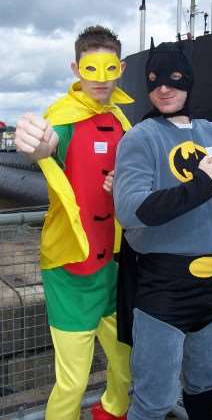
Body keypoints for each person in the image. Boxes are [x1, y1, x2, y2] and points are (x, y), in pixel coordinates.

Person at [113, 40, 212, 420]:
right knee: (153, 398)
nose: (163, 88)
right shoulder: (140, 137)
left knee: (203, 382)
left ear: (189, 82)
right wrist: (203, 184)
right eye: (154, 81)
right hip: (163, 290)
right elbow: (132, 210)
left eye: (174, 79)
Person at [15, 25, 133, 420]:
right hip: (71, 269)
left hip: (116, 266)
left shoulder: (124, 122)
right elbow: (46, 145)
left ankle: (112, 411)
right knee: (72, 380)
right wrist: (36, 143)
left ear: (121, 69)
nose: (101, 79)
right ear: (76, 67)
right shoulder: (61, 119)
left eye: (109, 68)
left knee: (124, 364)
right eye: (91, 68)